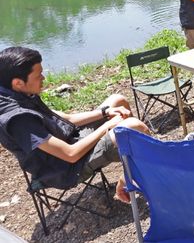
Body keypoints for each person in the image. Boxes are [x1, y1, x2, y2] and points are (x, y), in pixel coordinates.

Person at [0, 46, 150, 203]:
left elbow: (65, 119)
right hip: (65, 168)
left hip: (70, 140)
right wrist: (109, 125)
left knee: (117, 100)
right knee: (134, 126)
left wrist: (105, 113)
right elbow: (70, 155)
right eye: (38, 76)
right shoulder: (18, 119)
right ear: (18, 83)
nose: (43, 78)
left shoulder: (18, 93)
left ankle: (135, 169)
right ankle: (137, 176)